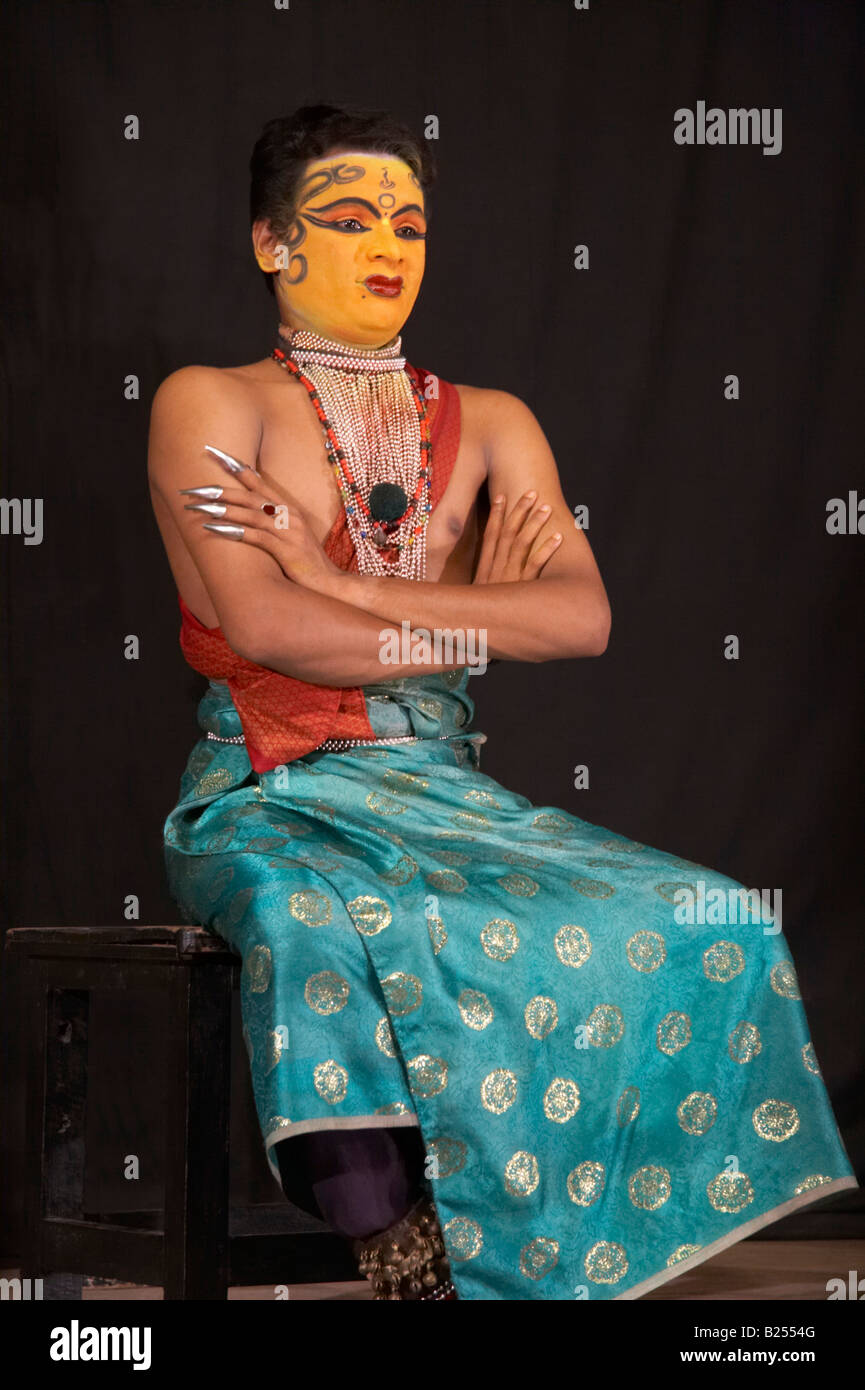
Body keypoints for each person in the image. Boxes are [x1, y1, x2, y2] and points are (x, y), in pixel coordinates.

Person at [149, 104, 857, 1301]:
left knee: (711, 916)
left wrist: (326, 573)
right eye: (350, 217)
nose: (390, 243)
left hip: (448, 794)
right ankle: (395, 1235)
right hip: (274, 791)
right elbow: (264, 632)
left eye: (411, 222)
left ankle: (548, 1229)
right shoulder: (209, 404)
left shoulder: (493, 424)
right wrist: (475, 608)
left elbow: (581, 620)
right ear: (273, 242)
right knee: (308, 919)